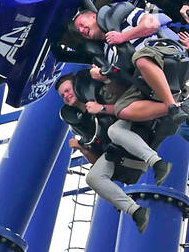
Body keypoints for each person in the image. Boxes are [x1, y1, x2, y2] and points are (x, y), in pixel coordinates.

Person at [56, 72, 154, 234]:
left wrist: (102, 107)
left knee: (115, 131)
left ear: (78, 86)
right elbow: (97, 159)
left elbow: (127, 100)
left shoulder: (102, 92)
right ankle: (135, 211)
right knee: (93, 177)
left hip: (132, 126)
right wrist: (83, 149)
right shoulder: (80, 123)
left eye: (67, 90)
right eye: (62, 95)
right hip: (119, 153)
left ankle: (156, 162)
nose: (66, 96)